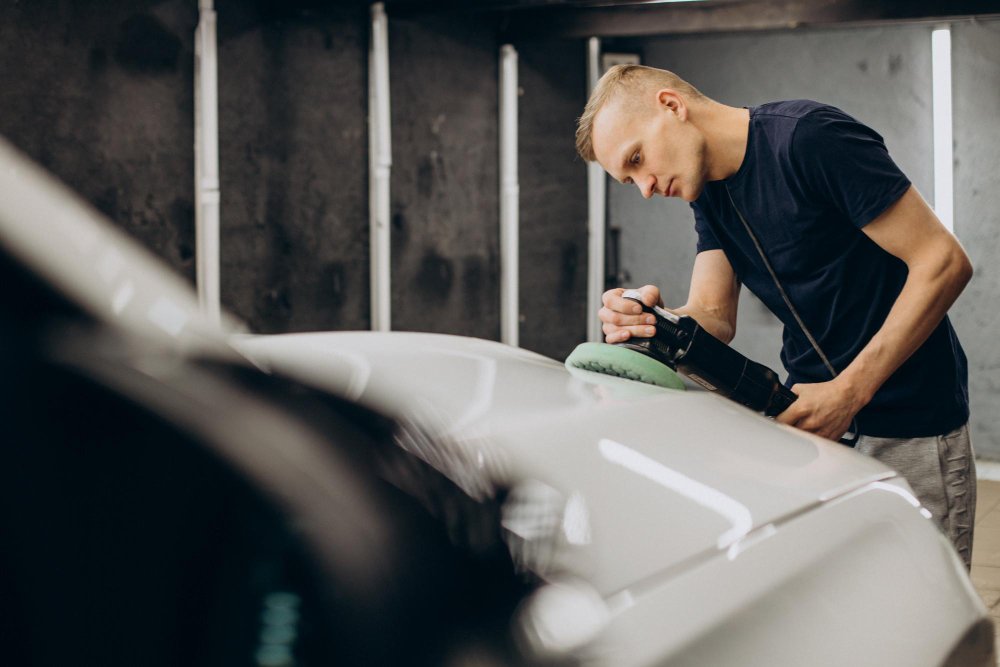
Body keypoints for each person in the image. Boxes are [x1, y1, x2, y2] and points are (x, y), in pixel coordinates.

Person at [576, 64, 976, 567]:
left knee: (926, 615)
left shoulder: (809, 138)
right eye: (627, 178)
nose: (645, 188)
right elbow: (713, 314)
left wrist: (850, 392)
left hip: (910, 422)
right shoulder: (709, 194)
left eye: (637, 159)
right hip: (814, 427)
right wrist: (656, 323)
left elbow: (943, 261)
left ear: (672, 106)